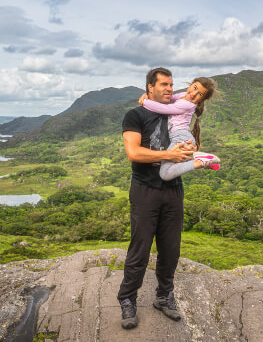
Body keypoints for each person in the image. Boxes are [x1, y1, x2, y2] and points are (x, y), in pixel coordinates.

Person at [117, 67, 195, 329]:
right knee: (140, 249)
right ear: (150, 87)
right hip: (145, 189)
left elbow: (186, 139)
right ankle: (127, 300)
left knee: (171, 249)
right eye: (163, 84)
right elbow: (134, 153)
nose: (169, 89)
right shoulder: (136, 114)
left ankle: (163, 297)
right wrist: (168, 156)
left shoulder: (178, 110)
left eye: (171, 85)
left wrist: (189, 148)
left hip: (173, 189)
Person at [139, 77, 220, 181]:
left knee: (165, 173)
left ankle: (200, 162)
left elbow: (164, 108)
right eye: (195, 88)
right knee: (169, 168)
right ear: (191, 84)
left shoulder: (187, 105)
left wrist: (145, 102)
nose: (194, 94)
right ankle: (206, 161)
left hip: (180, 138)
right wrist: (149, 96)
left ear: (202, 99)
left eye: (200, 94)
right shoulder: (183, 96)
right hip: (182, 137)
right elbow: (167, 100)